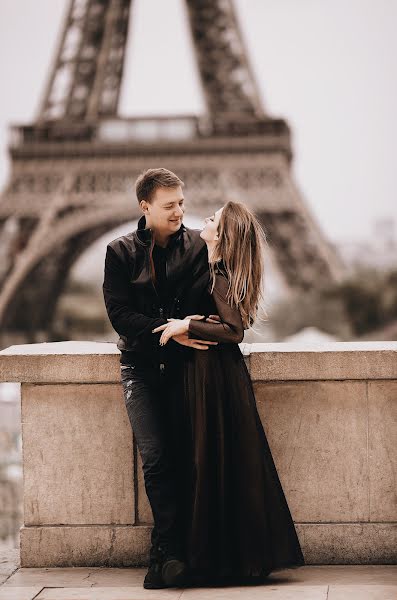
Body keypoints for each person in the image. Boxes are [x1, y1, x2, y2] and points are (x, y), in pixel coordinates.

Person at [153, 200, 306, 586]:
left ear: (222, 236)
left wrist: (187, 322)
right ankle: (228, 557)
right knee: (221, 462)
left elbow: (233, 329)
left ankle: (213, 559)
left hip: (212, 376)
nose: (205, 219)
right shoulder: (216, 267)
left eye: (214, 219)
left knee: (209, 460)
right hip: (216, 374)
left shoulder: (218, 270)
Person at [102, 167, 217, 589]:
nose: (179, 212)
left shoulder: (200, 249)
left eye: (182, 204)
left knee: (189, 456)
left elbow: (214, 307)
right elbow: (120, 317)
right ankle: (166, 550)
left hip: (189, 368)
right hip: (142, 368)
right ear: (145, 206)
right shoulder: (119, 252)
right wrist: (172, 330)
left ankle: (183, 550)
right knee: (155, 456)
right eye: (170, 206)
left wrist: (189, 329)